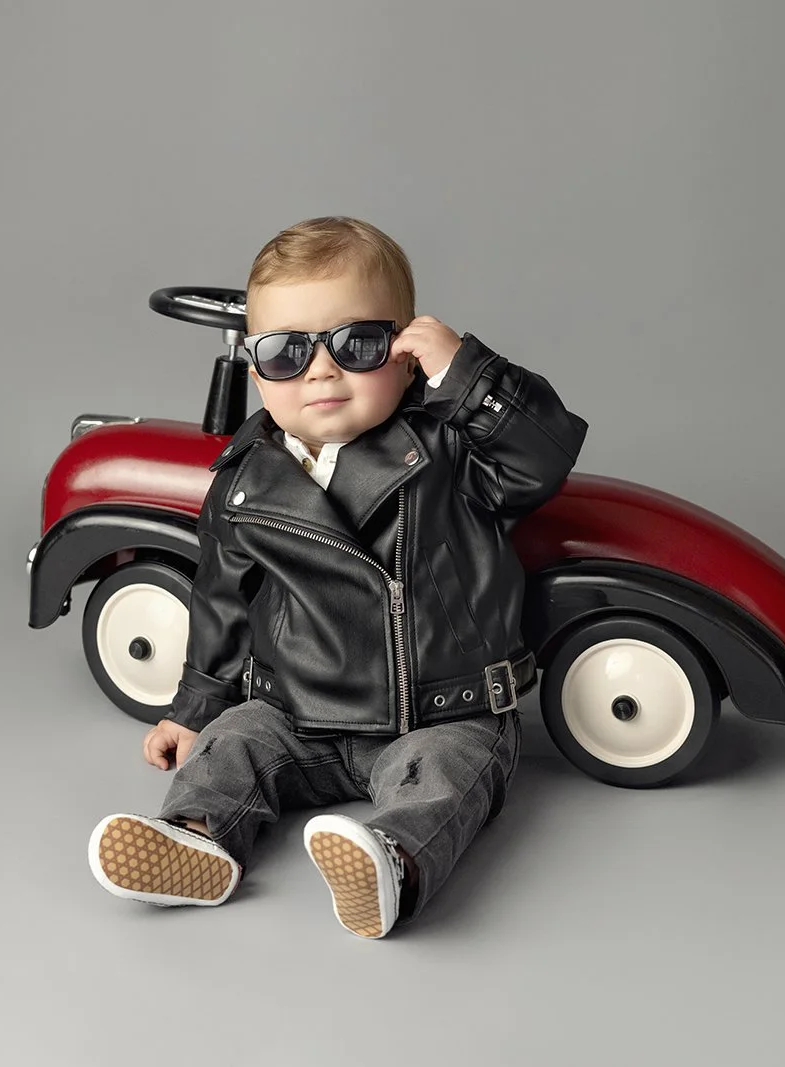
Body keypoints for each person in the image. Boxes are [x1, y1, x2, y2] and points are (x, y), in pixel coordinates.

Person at [89, 216, 588, 938]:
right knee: (234, 745)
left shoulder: (450, 447)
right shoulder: (243, 479)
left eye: (356, 344)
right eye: (287, 353)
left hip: (441, 708)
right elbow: (222, 602)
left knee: (445, 778)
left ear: (408, 354)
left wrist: (470, 377)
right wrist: (193, 709)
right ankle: (196, 838)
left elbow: (542, 457)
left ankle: (391, 864)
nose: (321, 370)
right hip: (297, 711)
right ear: (256, 370)